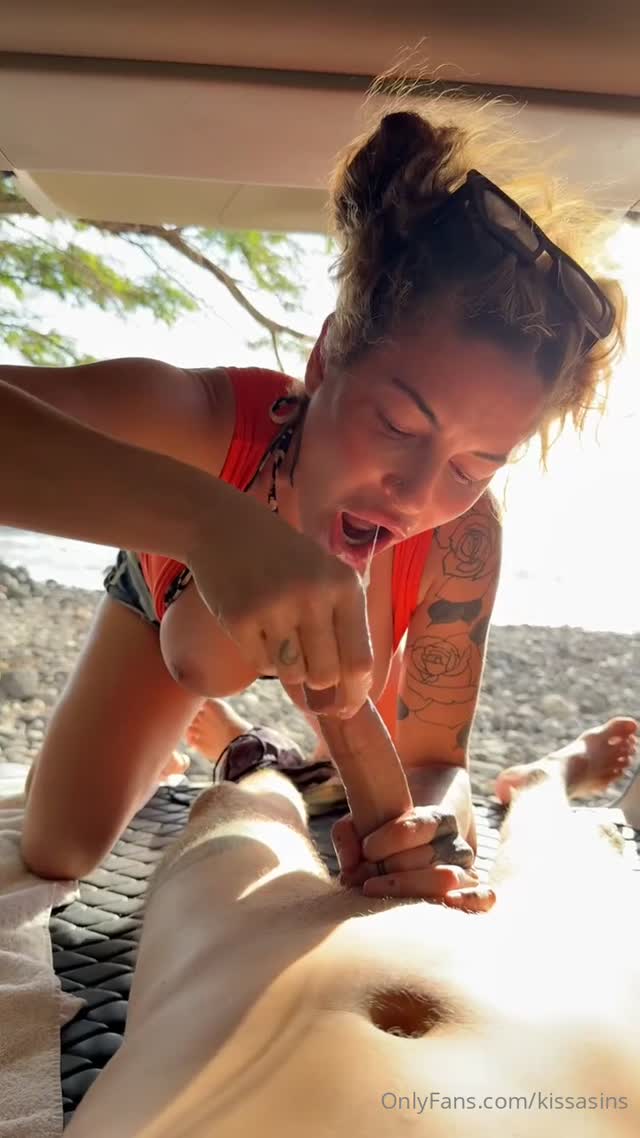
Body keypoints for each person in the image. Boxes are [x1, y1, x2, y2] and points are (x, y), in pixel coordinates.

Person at [4, 97, 637, 900]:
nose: (415, 493)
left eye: (473, 466)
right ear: (327, 358)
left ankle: (244, 750)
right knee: (60, 846)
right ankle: (189, 736)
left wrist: (432, 829)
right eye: (398, 424)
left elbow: (435, 762)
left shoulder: (459, 540)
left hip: (329, 655)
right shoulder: (196, 422)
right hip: (171, 584)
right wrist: (208, 523)